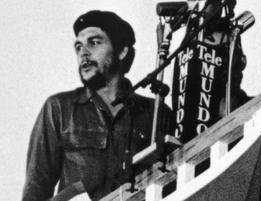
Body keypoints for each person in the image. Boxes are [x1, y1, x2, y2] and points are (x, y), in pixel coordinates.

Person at [22, 10, 171, 201]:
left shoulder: (156, 113)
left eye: (94, 43)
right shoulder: (59, 108)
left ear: (121, 51)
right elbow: (36, 186)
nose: (83, 53)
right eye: (78, 47)